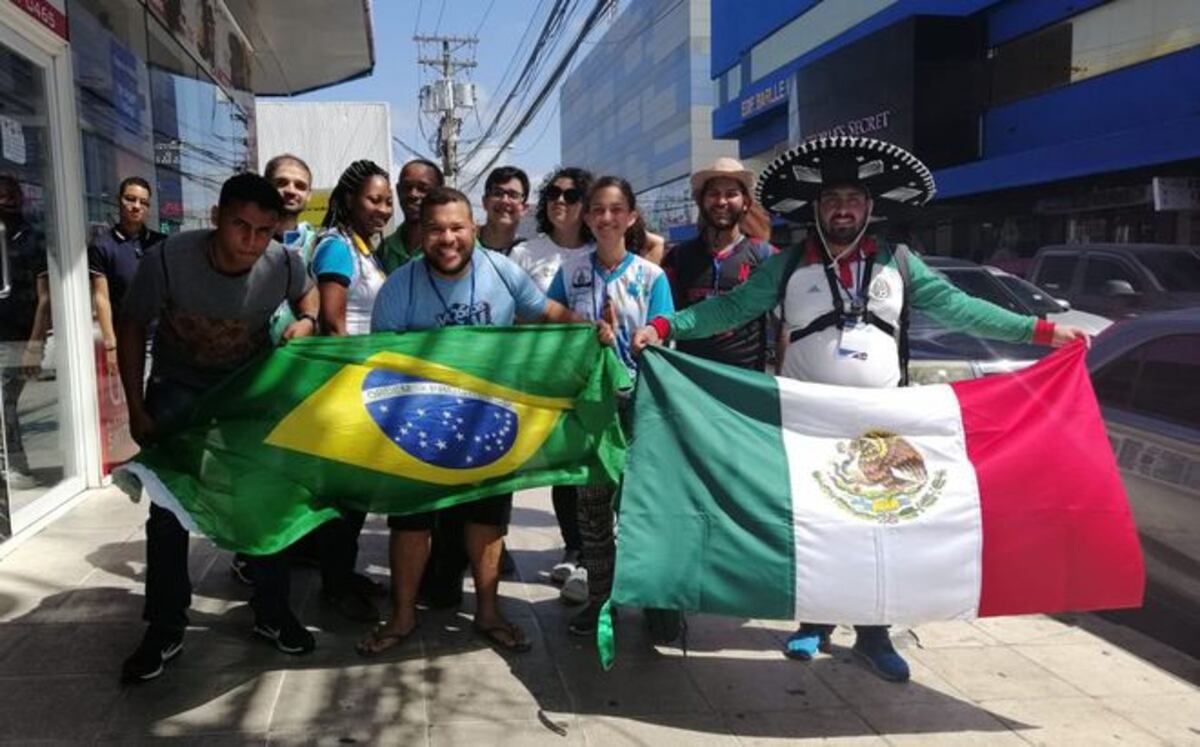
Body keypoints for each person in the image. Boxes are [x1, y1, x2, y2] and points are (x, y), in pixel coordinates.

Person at [632, 137, 1088, 683]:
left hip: (881, 423)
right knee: (819, 522)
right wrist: (667, 325)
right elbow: (731, 308)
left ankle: (874, 635)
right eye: (831, 200)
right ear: (817, 210)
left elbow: (962, 308)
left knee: (878, 529)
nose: (841, 208)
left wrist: (1040, 331)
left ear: (869, 209)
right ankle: (815, 623)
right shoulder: (787, 265)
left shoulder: (899, 262)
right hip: (808, 424)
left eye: (852, 199)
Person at [117, 173, 321, 683]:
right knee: (170, 509)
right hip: (177, 389)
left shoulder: (284, 263)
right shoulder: (168, 260)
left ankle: (272, 612)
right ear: (216, 218)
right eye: (240, 226)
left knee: (259, 499)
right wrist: (137, 407)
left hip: (245, 393)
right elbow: (131, 326)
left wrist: (307, 322)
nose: (251, 242)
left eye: (263, 231)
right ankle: (164, 626)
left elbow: (310, 298)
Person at [359, 186, 579, 657]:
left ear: (473, 230)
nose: (447, 238)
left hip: (489, 423)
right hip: (416, 426)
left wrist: (590, 327)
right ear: (421, 235)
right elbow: (379, 363)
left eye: (457, 228)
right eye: (436, 229)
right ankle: (401, 616)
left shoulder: (503, 272)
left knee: (487, 520)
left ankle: (488, 611)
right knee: (411, 524)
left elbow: (547, 313)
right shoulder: (400, 286)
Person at [544, 176, 674, 636]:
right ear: (587, 216)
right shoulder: (571, 270)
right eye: (597, 208)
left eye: (616, 209)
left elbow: (664, 320)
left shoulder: (650, 275)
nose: (605, 218)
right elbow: (552, 323)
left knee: (644, 508)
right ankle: (602, 601)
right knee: (593, 511)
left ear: (631, 217)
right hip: (592, 408)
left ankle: (657, 600)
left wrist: (649, 333)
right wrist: (583, 329)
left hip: (641, 405)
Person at [510, 167, 595, 604]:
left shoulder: (604, 249)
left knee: (595, 466)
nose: (560, 201)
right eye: (554, 194)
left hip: (593, 376)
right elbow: (513, 310)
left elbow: (650, 251)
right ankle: (574, 546)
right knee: (563, 464)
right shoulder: (526, 252)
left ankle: (594, 552)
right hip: (543, 375)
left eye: (572, 194)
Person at [662, 157, 777, 371]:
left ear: (745, 203)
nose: (721, 201)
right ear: (701, 201)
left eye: (731, 194)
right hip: (689, 382)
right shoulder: (678, 257)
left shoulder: (765, 256)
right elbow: (663, 314)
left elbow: (783, 323)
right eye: (714, 194)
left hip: (746, 385)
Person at [0, 175, 49, 490]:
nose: (6, 201)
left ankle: (17, 468)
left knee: (5, 401)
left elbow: (45, 297)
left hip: (19, 335)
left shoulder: (32, 238)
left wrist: (35, 342)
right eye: (1, 195)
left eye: (11, 195)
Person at [88, 176, 166, 375]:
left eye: (143, 202)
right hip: (128, 337)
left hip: (164, 336)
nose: (136, 206)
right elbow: (101, 298)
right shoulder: (102, 246)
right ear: (118, 200)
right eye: (130, 199)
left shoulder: (162, 243)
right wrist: (110, 345)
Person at [264, 154, 320, 345]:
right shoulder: (247, 241)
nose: (291, 190)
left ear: (309, 195)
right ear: (265, 186)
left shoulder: (318, 245)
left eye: (300, 186)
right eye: (281, 182)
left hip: (298, 361)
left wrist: (309, 320)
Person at [377, 158, 444, 273]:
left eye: (423, 189)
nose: (413, 194)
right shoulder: (386, 249)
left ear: (440, 193)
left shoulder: (454, 243)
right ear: (397, 191)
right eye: (407, 187)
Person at [478, 166, 529, 255]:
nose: (504, 200)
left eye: (513, 195)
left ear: (524, 208)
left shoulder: (528, 254)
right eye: (497, 193)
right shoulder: (465, 244)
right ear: (485, 202)